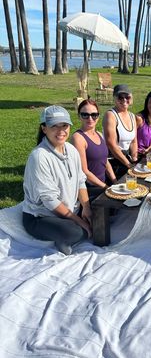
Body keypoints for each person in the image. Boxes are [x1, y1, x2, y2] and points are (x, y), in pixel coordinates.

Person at [22, 106, 92, 256]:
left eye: (65, 125)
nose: (61, 131)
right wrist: (78, 220)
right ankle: (63, 238)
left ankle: (71, 227)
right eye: (54, 126)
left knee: (101, 210)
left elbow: (80, 180)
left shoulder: (71, 150)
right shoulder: (39, 157)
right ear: (44, 128)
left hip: (69, 210)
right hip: (41, 217)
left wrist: (86, 208)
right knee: (75, 231)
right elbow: (50, 200)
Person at [71, 99, 117, 200]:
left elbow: (105, 161)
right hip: (89, 190)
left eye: (94, 115)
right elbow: (84, 171)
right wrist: (105, 188)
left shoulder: (99, 134)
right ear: (79, 116)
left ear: (98, 116)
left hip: (103, 184)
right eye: (85, 115)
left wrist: (115, 181)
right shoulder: (78, 138)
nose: (90, 118)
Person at [103, 84, 138, 179]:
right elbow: (111, 145)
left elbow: (134, 141)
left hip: (127, 159)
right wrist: (128, 165)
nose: (124, 100)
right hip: (114, 161)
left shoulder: (132, 116)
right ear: (114, 98)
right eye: (120, 97)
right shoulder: (110, 115)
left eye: (127, 97)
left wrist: (134, 159)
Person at [136, 90, 151, 157]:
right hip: (138, 154)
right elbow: (132, 138)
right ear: (147, 102)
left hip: (150, 152)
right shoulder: (139, 118)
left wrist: (148, 149)